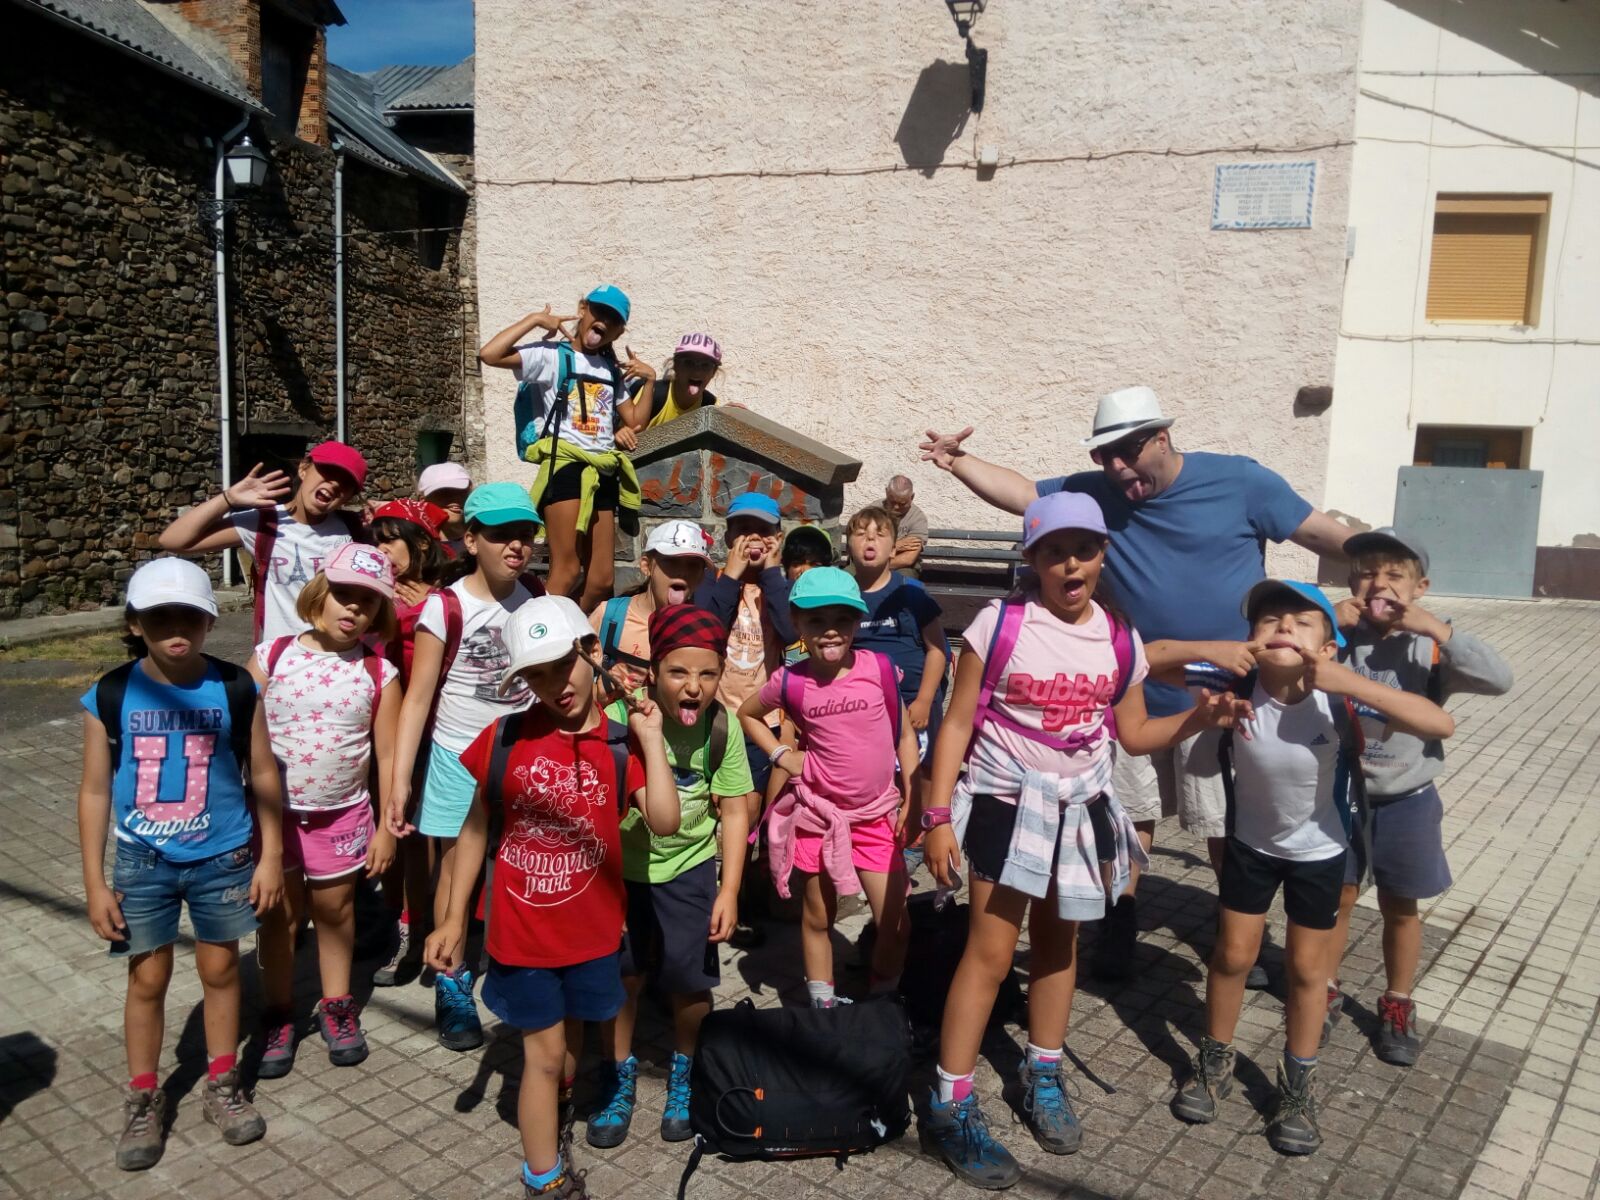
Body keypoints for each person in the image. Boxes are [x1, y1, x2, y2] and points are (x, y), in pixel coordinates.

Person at [920, 386, 1353, 980]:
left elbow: (1318, 533)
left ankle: (1238, 936)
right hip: (1127, 692)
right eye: (1105, 455)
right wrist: (957, 461)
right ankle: (1118, 923)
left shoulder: (1241, 482)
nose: (1118, 466)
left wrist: (1384, 566)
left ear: (1163, 438)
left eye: (1129, 451)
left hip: (1221, 693)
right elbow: (1023, 495)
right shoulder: (1096, 494)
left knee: (1224, 823)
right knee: (1131, 813)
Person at [918, 494, 1246, 1188]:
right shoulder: (1000, 623)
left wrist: (1198, 718)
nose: (1071, 564)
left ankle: (1044, 1072)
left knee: (1059, 944)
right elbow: (957, 723)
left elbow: (1135, 734)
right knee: (990, 953)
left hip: (1079, 807)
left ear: (1103, 555)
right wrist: (937, 815)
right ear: (1033, 559)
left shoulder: (1119, 636)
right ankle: (949, 1103)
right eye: (1055, 551)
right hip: (1006, 802)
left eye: (1085, 550)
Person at [1165, 580, 1452, 1155]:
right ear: (1251, 638)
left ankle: (1297, 1085)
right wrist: (1214, 651)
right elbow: (1144, 664)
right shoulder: (1234, 683)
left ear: (1327, 647)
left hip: (1320, 853)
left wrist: (1350, 680)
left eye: (1302, 621)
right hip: (1250, 846)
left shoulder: (1341, 698)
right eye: (1269, 619)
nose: (1284, 627)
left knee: (1306, 970)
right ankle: (1215, 1059)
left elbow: (1438, 724)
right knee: (1233, 956)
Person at [423, 596, 681, 1200]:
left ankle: (561, 1105)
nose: (555, 685)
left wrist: (651, 739)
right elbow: (474, 830)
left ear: (591, 653)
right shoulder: (505, 738)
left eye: (562, 666)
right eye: (536, 675)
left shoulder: (621, 744)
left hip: (594, 933)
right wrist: (453, 919)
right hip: (522, 934)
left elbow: (666, 821)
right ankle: (544, 1179)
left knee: (569, 1048)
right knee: (542, 1057)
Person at [77, 558, 284, 1171]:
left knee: (220, 970)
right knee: (147, 978)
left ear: (209, 620)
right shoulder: (109, 695)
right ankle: (144, 1095)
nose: (176, 629)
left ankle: (222, 1082)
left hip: (224, 855)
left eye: (189, 616)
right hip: (143, 861)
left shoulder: (236, 687)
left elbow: (263, 772)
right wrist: (94, 882)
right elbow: (94, 790)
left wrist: (271, 856)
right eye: (159, 617)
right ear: (134, 623)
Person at [1327, 528, 1512, 1065]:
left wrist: (1438, 628)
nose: (1379, 584)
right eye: (1367, 573)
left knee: (1400, 905)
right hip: (1341, 793)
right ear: (1352, 582)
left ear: (1419, 587)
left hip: (1407, 797)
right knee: (1338, 898)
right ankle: (1324, 988)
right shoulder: (1338, 635)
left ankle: (1398, 1000)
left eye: (1394, 575)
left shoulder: (1428, 647)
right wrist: (1326, 620)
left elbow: (1499, 680)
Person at [587, 605, 754, 1149]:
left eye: (708, 674)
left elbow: (735, 810)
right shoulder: (617, 719)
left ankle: (685, 1071)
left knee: (690, 983)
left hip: (689, 869)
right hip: (620, 872)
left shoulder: (722, 726)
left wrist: (729, 889)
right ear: (653, 670)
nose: (693, 687)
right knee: (622, 978)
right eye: (678, 672)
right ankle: (618, 1073)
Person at [387, 483, 543, 1051]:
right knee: (455, 873)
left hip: (521, 753)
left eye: (525, 535)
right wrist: (400, 781)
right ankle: (452, 982)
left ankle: (517, 970)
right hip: (457, 757)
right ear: (471, 540)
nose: (516, 546)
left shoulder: (536, 596)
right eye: (501, 535)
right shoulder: (444, 605)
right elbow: (417, 699)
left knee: (520, 867)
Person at [250, 544, 401, 1076]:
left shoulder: (379, 673)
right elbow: (237, 736)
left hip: (342, 816)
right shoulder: (271, 656)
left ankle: (337, 1005)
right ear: (319, 592)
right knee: (280, 919)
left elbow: (388, 755)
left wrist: (388, 827)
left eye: (368, 600)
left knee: (336, 914)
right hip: (275, 819)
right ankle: (279, 1012)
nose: (354, 607)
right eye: (343, 594)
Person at [738, 566, 916, 1009]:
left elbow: (904, 734)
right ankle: (823, 1005)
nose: (830, 630)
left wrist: (913, 794)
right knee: (818, 915)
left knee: (895, 923)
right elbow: (747, 714)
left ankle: (882, 999)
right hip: (820, 816)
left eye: (842, 619)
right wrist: (782, 755)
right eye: (816, 620)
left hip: (876, 816)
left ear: (857, 622)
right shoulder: (791, 680)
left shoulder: (878, 668)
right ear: (797, 624)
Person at [478, 287, 652, 611]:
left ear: (619, 332)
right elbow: (490, 355)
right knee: (567, 570)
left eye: (613, 319)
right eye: (599, 312)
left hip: (602, 471)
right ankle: (538, 631)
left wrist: (651, 380)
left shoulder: (611, 370)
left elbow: (636, 420)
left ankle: (569, 628)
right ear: (583, 310)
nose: (604, 322)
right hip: (566, 465)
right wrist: (534, 319)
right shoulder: (552, 356)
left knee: (601, 581)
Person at [159, 441, 369, 642]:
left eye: (346, 483)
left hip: (338, 658)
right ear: (304, 469)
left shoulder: (354, 530)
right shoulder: (264, 522)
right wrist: (228, 499)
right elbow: (174, 540)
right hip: (279, 657)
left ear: (349, 496)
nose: (335, 484)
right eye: (328, 471)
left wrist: (383, 512)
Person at [367, 497, 451, 988]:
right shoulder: (374, 592)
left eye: (390, 541)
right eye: (376, 541)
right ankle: (398, 921)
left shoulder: (446, 596)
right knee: (392, 831)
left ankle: (424, 927)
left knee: (424, 837)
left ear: (421, 543)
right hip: (383, 725)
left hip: (434, 726)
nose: (381, 551)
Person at [845, 504, 948, 782]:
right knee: (875, 775)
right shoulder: (843, 596)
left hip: (915, 702)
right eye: (860, 534)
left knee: (920, 775)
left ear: (893, 550)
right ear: (848, 547)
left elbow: (937, 650)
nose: (870, 538)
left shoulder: (912, 593)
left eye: (880, 534)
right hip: (865, 706)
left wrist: (925, 699)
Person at [592, 519, 715, 696]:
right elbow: (572, 682)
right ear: (646, 566)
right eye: (672, 562)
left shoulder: (700, 631)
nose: (683, 572)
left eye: (693, 565)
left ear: (701, 577)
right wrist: (601, 690)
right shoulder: (610, 616)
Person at [635, 332, 723, 429]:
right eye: (689, 363)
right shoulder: (650, 394)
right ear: (676, 365)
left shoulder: (709, 406)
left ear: (714, 371)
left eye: (706, 365)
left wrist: (730, 418)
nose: (697, 371)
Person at [780, 525, 834, 665]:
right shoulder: (776, 599)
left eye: (814, 564)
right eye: (797, 563)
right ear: (786, 566)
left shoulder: (836, 604)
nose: (805, 570)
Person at [418, 461, 472, 558]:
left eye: (461, 491)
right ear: (422, 501)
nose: (455, 498)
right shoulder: (416, 546)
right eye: (444, 493)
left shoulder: (482, 539)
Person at [882, 475, 930, 573]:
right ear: (886, 492)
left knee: (904, 578)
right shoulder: (872, 511)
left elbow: (908, 559)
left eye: (902, 504)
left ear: (912, 497)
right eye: (892, 502)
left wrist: (874, 566)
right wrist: (895, 546)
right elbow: (861, 546)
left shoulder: (917, 518)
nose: (896, 507)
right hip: (867, 562)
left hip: (902, 566)